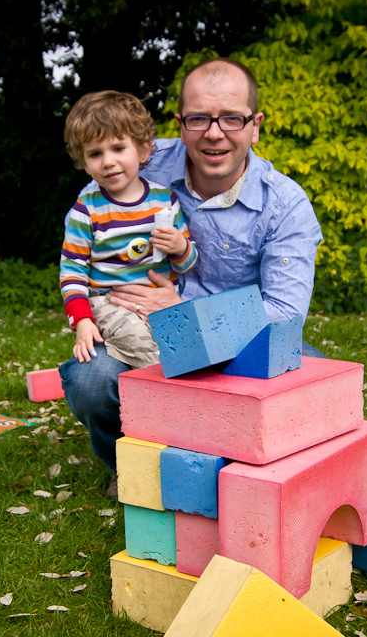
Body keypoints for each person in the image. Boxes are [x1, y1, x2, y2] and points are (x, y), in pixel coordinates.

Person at [59, 59, 324, 497]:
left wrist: (186, 313)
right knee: (91, 379)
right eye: (199, 118)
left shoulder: (286, 205)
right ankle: (128, 461)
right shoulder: (134, 160)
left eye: (232, 118)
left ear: (255, 126)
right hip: (141, 329)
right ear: (180, 124)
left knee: (309, 370)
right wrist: (91, 312)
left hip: (237, 343)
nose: (215, 133)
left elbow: (283, 315)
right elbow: (87, 246)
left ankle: (245, 463)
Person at [60, 91, 198, 370]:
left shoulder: (164, 201)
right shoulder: (86, 210)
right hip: (111, 303)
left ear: (144, 149)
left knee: (191, 346)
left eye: (118, 148)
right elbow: (72, 271)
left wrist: (180, 248)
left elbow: (187, 265)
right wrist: (82, 320)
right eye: (95, 154)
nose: (108, 161)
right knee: (145, 348)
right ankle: (157, 403)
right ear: (84, 162)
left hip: (162, 300)